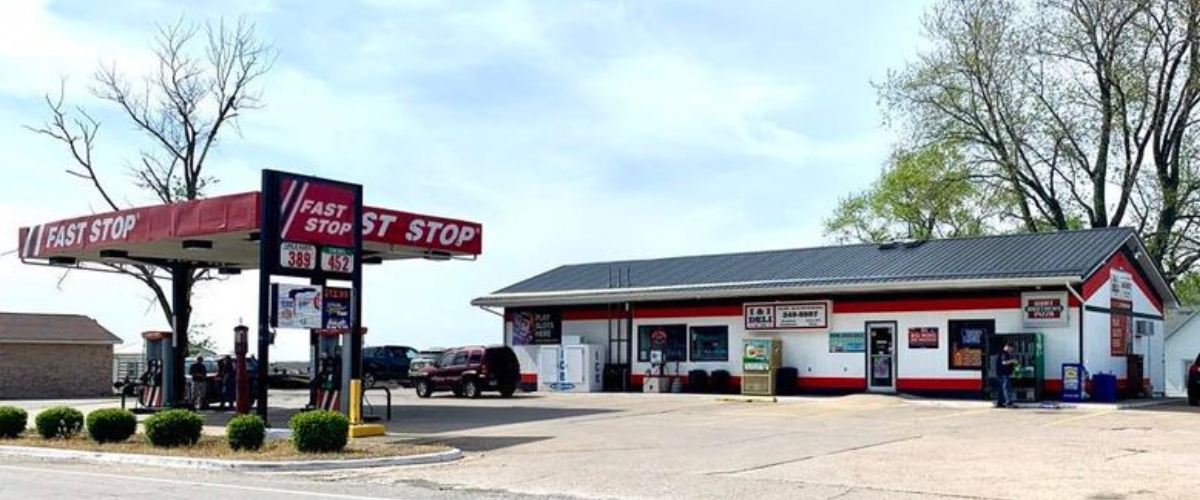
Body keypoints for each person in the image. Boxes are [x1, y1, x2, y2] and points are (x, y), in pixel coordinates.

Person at [996, 343, 1018, 408]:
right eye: (1012, 348)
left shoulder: (1002, 353)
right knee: (1007, 388)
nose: (1012, 350)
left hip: (1000, 374)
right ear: (1008, 347)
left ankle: (1000, 402)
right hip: (1004, 374)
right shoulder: (1004, 353)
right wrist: (1013, 361)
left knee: (1001, 389)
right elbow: (1004, 362)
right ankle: (1009, 403)